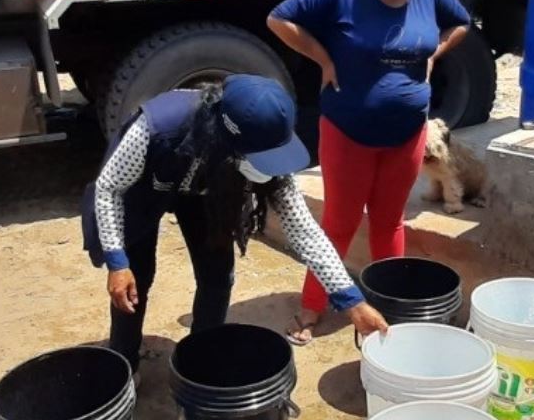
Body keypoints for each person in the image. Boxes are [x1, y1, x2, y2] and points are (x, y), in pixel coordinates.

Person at [267, 0, 474, 344]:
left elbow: (461, 23)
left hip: (407, 134)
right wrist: (323, 58)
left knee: (390, 222)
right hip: (348, 132)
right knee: (340, 223)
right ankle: (311, 307)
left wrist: (435, 54)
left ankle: (390, 303)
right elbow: (279, 18)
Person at [83, 73, 390, 365]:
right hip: (145, 187)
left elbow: (304, 231)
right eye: (259, 159)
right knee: (134, 282)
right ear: (226, 137)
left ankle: (201, 357)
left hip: (208, 193)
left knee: (218, 277)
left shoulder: (267, 142)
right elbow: (109, 188)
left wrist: (351, 301)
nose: (268, 168)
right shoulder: (156, 128)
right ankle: (124, 361)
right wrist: (117, 261)